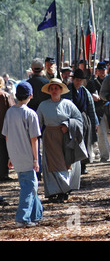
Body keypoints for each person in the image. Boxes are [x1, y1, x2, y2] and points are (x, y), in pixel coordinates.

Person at [37, 78, 86, 203]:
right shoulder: (43, 105)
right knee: (53, 165)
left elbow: (79, 119)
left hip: (66, 137)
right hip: (50, 138)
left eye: (56, 88)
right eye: (52, 88)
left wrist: (68, 125)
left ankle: (64, 190)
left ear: (61, 90)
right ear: (49, 91)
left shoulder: (68, 104)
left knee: (65, 164)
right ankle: (57, 191)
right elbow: (37, 123)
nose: (54, 90)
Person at [2, 82, 43, 227]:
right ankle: (22, 218)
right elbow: (34, 139)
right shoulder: (31, 114)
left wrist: (10, 156)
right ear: (31, 96)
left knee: (30, 186)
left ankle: (36, 215)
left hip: (15, 154)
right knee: (29, 187)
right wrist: (36, 159)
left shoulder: (10, 112)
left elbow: (6, 136)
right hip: (27, 156)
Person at [65, 69, 99, 174]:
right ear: (73, 79)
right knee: (74, 142)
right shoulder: (68, 90)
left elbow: (91, 108)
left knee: (85, 142)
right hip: (72, 120)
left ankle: (83, 165)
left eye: (80, 80)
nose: (78, 82)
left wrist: (95, 122)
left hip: (84, 120)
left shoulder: (85, 92)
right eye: (77, 79)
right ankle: (74, 165)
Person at [86, 62, 110, 161]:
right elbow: (87, 95)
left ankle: (105, 149)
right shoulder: (92, 83)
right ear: (97, 71)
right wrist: (92, 96)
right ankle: (104, 155)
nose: (102, 72)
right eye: (100, 70)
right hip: (98, 111)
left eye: (104, 70)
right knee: (101, 133)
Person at [0, 77, 15, 181]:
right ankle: (3, 174)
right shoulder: (6, 96)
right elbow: (12, 110)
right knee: (4, 152)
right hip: (4, 129)